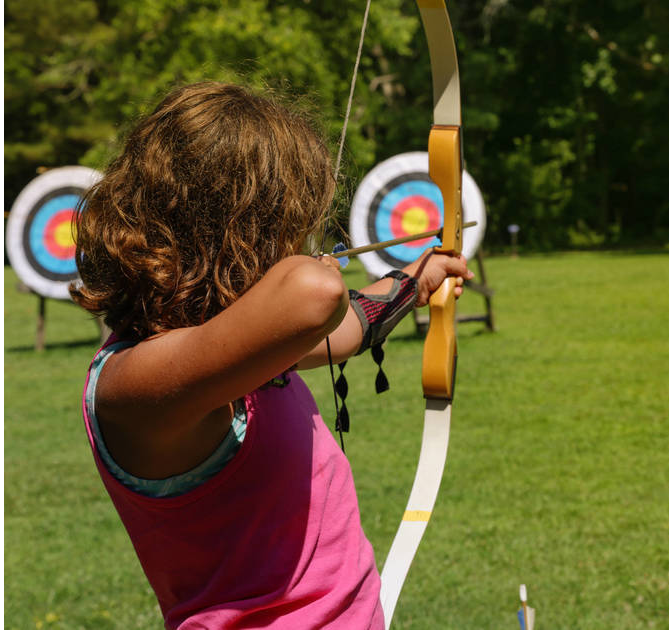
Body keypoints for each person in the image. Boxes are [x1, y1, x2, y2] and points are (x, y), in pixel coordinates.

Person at [71, 81, 473, 629]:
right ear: (242, 229)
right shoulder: (136, 383)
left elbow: (345, 325)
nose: (303, 238)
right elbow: (315, 295)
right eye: (290, 224)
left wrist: (414, 278)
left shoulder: (231, 346)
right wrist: (311, 267)